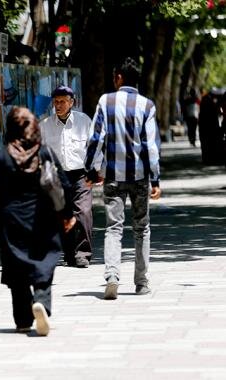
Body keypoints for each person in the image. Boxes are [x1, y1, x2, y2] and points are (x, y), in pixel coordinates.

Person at [0, 106, 75, 336]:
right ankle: (41, 300)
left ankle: (23, 320)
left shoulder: (2, 156)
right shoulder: (45, 153)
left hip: (11, 222)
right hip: (43, 220)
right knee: (43, 262)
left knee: (17, 270)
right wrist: (68, 214)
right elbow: (64, 184)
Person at [85, 57, 161, 300]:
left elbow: (96, 138)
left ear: (118, 77)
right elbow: (151, 146)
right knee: (142, 228)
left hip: (113, 178)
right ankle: (141, 282)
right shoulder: (147, 106)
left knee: (113, 228)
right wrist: (155, 179)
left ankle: (112, 277)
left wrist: (91, 169)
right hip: (139, 178)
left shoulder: (105, 101)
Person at [40, 85, 94, 268]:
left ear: (72, 103)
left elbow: (95, 147)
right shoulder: (45, 126)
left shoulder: (84, 121)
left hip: (81, 175)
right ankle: (70, 253)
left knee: (83, 212)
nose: (59, 105)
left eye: (63, 101)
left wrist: (97, 170)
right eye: (56, 102)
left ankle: (83, 254)